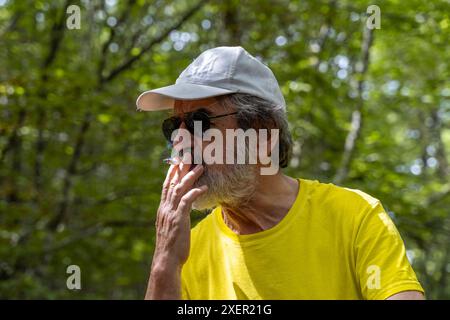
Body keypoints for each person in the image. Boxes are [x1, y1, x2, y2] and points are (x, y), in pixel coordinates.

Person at [136, 46, 425, 300]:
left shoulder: (356, 217)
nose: (180, 141)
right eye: (175, 126)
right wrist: (164, 261)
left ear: (262, 133)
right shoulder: (185, 250)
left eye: (200, 121)